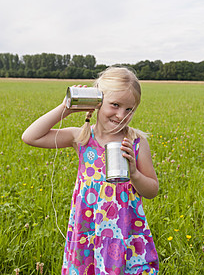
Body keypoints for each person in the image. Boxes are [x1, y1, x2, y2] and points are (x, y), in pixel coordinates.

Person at [22, 67, 159, 275]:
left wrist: (134, 174)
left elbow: (152, 190)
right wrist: (65, 108)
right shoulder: (82, 138)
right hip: (87, 229)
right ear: (97, 101)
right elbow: (30, 137)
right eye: (115, 105)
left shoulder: (136, 142)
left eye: (129, 109)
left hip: (123, 232)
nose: (121, 115)